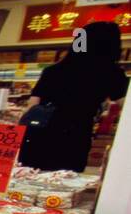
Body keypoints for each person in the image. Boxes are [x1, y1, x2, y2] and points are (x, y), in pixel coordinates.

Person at [19, 20, 128, 173]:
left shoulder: (54, 70)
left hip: (38, 133)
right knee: (63, 183)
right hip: (75, 135)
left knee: (29, 178)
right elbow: (126, 105)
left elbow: (32, 105)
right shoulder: (111, 73)